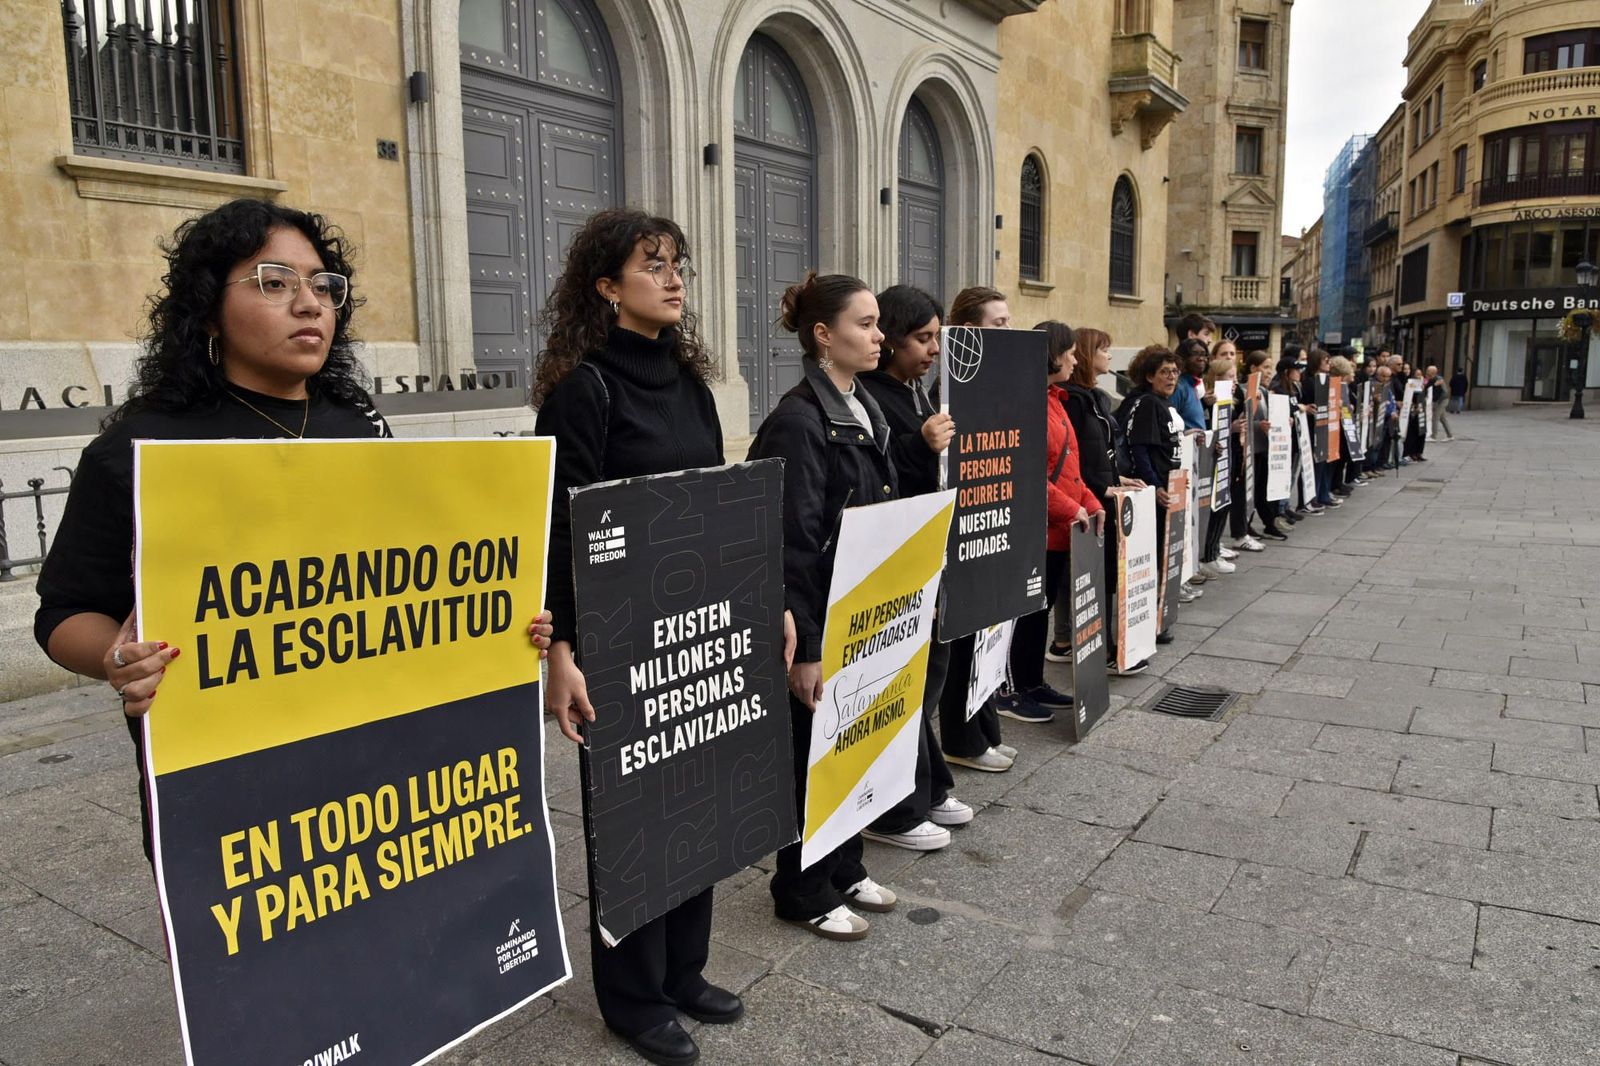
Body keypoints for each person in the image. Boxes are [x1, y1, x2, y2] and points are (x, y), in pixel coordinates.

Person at [32, 199, 560, 865]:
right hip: (230, 787)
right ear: (207, 306)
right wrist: (117, 656)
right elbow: (62, 612)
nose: (309, 304)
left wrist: (496, 621)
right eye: (274, 283)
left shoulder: (356, 421)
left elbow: (401, 577)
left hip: (374, 768)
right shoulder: (138, 447)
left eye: (323, 285)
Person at [536, 209, 744, 1065]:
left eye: (677, 263)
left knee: (696, 800)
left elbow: (716, 502)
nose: (673, 277)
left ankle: (682, 970)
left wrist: (753, 599)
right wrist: (563, 654)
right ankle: (631, 997)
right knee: (630, 820)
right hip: (620, 640)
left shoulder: (691, 383)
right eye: (652, 264)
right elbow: (559, 530)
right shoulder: (584, 390)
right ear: (606, 287)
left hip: (695, 629)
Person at [746, 272, 900, 941]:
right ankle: (802, 887)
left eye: (875, 323)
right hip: (823, 615)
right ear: (821, 336)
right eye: (863, 324)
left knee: (851, 746)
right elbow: (791, 542)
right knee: (814, 753)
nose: (877, 335)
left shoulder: (862, 402)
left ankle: (844, 865)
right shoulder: (798, 422)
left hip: (864, 611)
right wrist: (804, 648)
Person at [857, 285, 973, 850]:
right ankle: (897, 805)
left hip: (928, 558)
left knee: (929, 677)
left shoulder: (916, 393)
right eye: (921, 338)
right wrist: (918, 446)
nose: (932, 349)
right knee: (909, 685)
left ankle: (925, 788)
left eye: (936, 337)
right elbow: (883, 478)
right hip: (895, 564)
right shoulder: (871, 399)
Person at [998, 321, 1100, 722]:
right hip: (1038, 529)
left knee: (1040, 612)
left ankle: (1031, 681)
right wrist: (1069, 508)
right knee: (1026, 614)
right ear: (1051, 354)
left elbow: (1069, 466)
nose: (1076, 359)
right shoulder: (1027, 402)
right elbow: (1026, 474)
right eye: (1069, 352)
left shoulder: (1055, 399)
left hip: (1060, 530)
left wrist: (1090, 502)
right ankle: (1013, 688)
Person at [934, 286, 1015, 772]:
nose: (1008, 330)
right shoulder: (949, 387)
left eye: (1009, 321)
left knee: (988, 629)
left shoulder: (1002, 382)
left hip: (992, 521)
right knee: (964, 636)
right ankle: (963, 740)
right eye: (998, 323)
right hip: (959, 530)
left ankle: (983, 731)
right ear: (969, 331)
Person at [1062, 327, 1151, 676]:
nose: (1110, 357)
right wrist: (1100, 488)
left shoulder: (1093, 397)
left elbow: (1103, 452)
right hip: (1087, 499)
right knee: (1089, 577)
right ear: (1086, 354)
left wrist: (1117, 479)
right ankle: (1096, 648)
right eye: (1103, 350)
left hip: (1102, 494)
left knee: (1104, 575)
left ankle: (1099, 644)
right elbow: (1076, 457)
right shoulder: (1073, 400)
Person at [1116, 346, 1184, 644]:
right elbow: (1140, 449)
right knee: (1153, 556)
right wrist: (1155, 486)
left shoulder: (1159, 402)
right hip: (1151, 492)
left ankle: (1157, 618)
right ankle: (1152, 623)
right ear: (1149, 376)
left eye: (1174, 371)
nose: (1171, 377)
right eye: (1164, 372)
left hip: (1162, 488)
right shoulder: (1147, 404)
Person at [1198, 347, 1239, 576]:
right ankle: (1208, 554)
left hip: (1225, 461)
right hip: (1212, 463)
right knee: (1214, 508)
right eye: (1230, 378)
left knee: (1223, 505)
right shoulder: (1209, 402)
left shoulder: (1230, 400)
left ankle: (1213, 551)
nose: (1234, 382)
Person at [1233, 350, 1272, 551]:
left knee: (1255, 487)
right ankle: (1242, 528)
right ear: (1253, 368)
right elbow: (1244, 419)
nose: (1269, 372)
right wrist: (1259, 426)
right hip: (1246, 447)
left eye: (1270, 368)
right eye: (1265, 367)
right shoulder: (1243, 390)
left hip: (1260, 448)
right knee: (1243, 490)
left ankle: (1247, 525)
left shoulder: (1265, 391)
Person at [1427, 365, 1454, 441]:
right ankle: (1450, 435)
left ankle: (1433, 436)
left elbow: (1443, 391)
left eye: (1428, 371)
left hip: (1442, 401)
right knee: (1443, 418)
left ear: (1433, 372)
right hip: (1439, 401)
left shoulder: (1439, 379)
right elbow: (1428, 386)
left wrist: (1436, 402)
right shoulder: (1432, 379)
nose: (1427, 372)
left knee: (1435, 417)